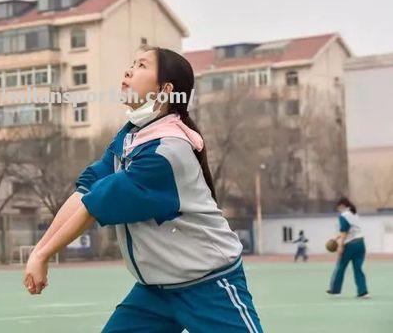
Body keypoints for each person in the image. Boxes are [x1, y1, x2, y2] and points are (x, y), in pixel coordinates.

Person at [24, 45, 263, 332]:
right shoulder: (129, 138)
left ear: (165, 90)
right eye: (131, 63)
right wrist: (39, 250)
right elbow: (84, 193)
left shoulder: (166, 151)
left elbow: (92, 208)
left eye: (141, 66)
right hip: (156, 291)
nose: (128, 70)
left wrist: (43, 255)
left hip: (209, 284)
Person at [327, 197, 369, 298]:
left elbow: (344, 231)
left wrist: (340, 246)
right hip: (361, 244)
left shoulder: (343, 216)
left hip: (350, 245)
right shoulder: (354, 214)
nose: (338, 210)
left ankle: (335, 291)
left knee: (340, 267)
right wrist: (337, 237)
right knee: (358, 269)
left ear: (342, 206)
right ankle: (363, 292)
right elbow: (352, 229)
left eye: (338, 208)